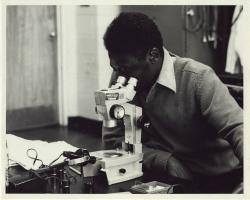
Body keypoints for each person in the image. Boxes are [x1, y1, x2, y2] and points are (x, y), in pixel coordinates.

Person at [101, 12, 243, 193]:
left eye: (124, 68)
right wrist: (164, 160)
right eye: (115, 69)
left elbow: (239, 128)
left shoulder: (198, 79)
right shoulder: (121, 77)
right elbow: (113, 141)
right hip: (165, 171)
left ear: (153, 55)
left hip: (217, 177)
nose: (119, 76)